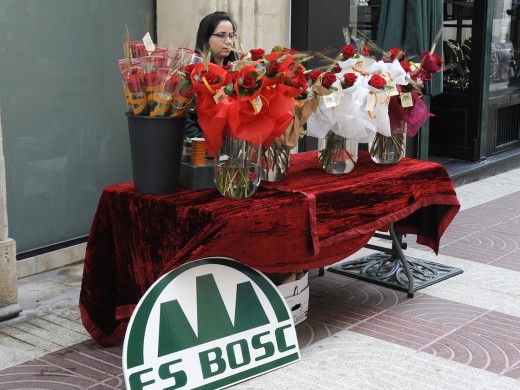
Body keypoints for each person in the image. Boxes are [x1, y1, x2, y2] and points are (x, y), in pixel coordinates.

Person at [185, 11, 239, 138]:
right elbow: (187, 120)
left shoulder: (236, 72)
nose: (228, 41)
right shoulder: (194, 75)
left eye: (231, 36)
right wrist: (206, 147)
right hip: (204, 152)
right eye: (221, 35)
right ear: (206, 38)